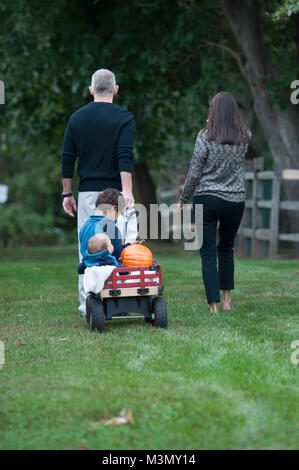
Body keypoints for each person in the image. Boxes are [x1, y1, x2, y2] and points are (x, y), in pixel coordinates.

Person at [61, 68, 138, 316]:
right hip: (114, 194)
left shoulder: (76, 118)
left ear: (91, 90)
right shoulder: (124, 118)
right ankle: (121, 301)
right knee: (119, 245)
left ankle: (87, 305)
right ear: (116, 89)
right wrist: (127, 192)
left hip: (87, 194)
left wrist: (67, 194)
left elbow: (67, 158)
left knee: (87, 247)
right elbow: (125, 156)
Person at [178, 91, 251, 314]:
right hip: (235, 200)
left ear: (213, 112)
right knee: (226, 248)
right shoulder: (245, 137)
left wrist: (184, 198)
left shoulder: (204, 137)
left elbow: (195, 171)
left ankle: (214, 305)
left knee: (208, 251)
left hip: (206, 199)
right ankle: (228, 301)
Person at [76, 189, 131, 311]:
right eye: (119, 213)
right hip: (107, 273)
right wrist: (127, 247)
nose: (118, 218)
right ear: (114, 208)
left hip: (89, 268)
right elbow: (116, 253)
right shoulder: (110, 227)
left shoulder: (85, 226)